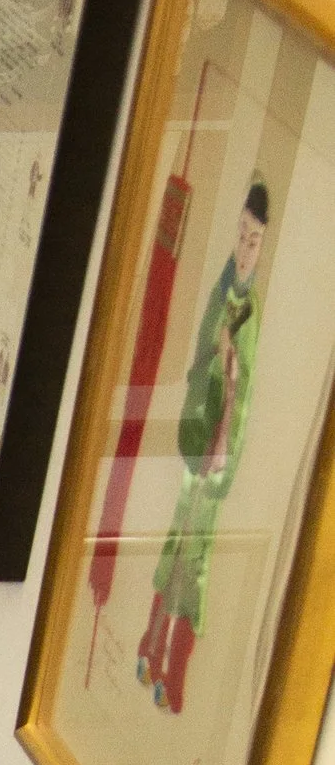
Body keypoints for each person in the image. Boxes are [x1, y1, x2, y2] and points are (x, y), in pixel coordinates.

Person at [137, 175, 269, 718]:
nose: (243, 245)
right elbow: (201, 357)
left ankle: (175, 671)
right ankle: (149, 643)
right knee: (175, 546)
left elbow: (243, 386)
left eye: (253, 239)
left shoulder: (248, 307)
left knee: (198, 562)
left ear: (262, 246)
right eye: (241, 233)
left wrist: (227, 366)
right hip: (197, 437)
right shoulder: (222, 289)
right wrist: (210, 369)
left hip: (217, 453)